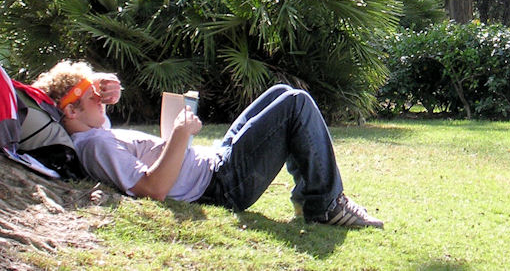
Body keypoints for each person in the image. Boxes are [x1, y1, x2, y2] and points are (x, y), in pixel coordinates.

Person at [32, 60, 382, 229]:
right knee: (296, 105)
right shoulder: (94, 147)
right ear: (72, 110)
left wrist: (107, 88)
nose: (100, 97)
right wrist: (181, 135)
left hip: (214, 163)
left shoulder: (93, 130)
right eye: (92, 96)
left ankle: (315, 197)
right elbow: (152, 189)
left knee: (281, 93)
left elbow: (99, 111)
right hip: (221, 186)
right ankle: (325, 205)